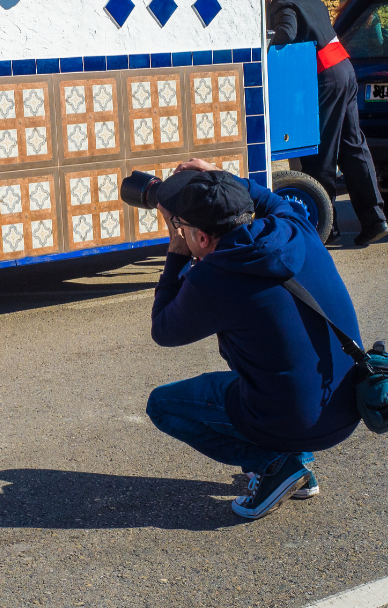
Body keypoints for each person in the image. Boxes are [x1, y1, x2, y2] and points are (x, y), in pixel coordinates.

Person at [146, 158, 364, 520]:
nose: (179, 232)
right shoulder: (295, 226)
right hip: (345, 407)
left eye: (182, 228)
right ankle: (296, 461)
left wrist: (176, 251)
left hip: (295, 419)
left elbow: (163, 330)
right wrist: (219, 179)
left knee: (162, 405)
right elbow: (266, 198)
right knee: (270, 359)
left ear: (202, 238)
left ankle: (277, 464)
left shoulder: (214, 279)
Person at [265, 0, 387, 245]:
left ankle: (327, 226)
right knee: (353, 146)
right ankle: (375, 218)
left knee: (321, 153)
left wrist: (265, 40)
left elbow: (286, 33)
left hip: (326, 78)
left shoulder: (282, 4)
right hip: (345, 70)